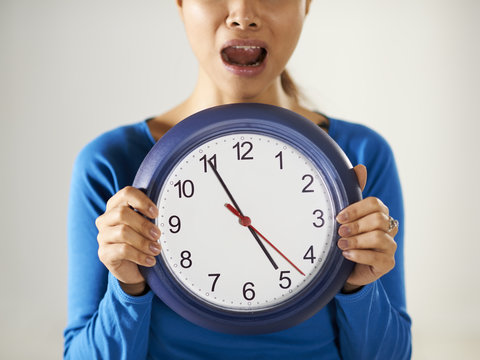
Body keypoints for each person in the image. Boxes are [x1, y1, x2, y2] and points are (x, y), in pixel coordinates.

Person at [64, 1, 411, 359]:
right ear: (182, 4)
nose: (243, 14)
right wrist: (126, 287)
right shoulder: (110, 162)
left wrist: (359, 288)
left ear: (306, 4)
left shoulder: (363, 152)